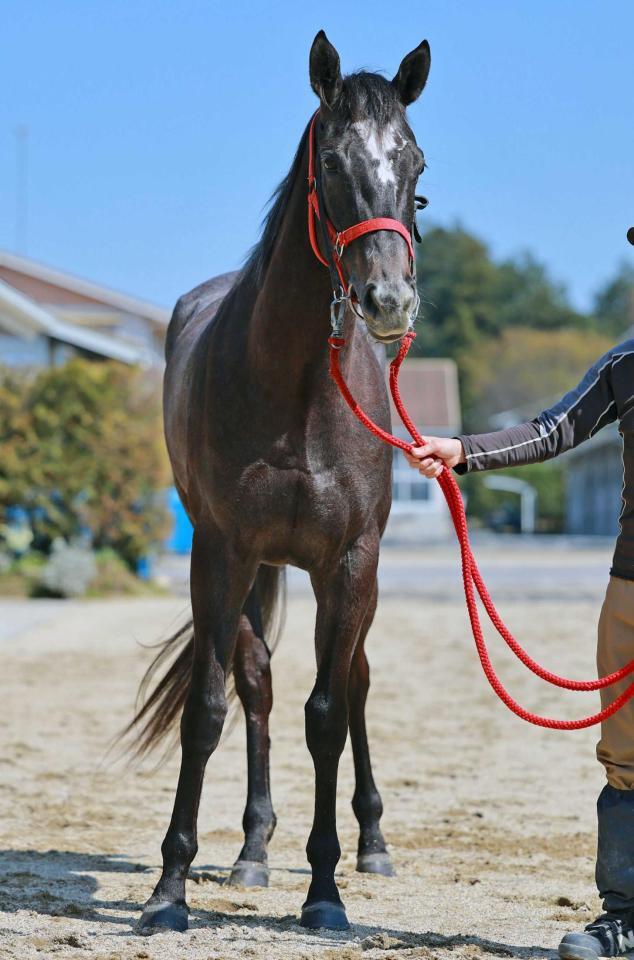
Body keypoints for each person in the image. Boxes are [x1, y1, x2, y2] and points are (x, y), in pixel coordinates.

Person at [406, 323, 634, 959]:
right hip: (631, 588)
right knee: (626, 760)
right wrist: (461, 450)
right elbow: (552, 429)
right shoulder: (626, 363)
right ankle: (626, 918)